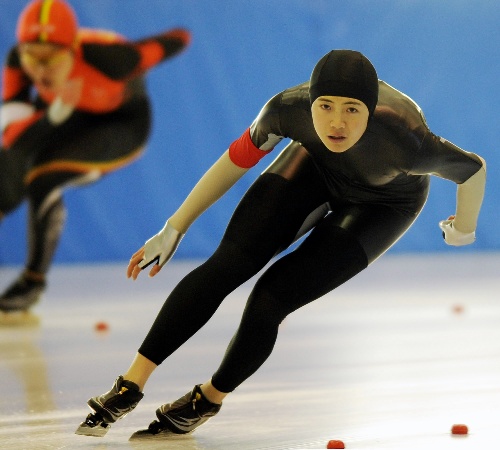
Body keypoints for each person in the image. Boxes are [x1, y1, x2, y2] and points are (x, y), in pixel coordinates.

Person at [75, 49, 486, 438]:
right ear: (310, 103)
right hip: (315, 168)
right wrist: (175, 225)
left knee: (272, 297)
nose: (337, 123)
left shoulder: (405, 138)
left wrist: (463, 229)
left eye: (352, 110)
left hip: (384, 202)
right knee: (228, 263)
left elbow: (472, 169)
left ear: (372, 109)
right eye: (325, 106)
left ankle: (207, 400)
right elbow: (235, 159)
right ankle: (130, 384)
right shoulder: (285, 108)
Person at [0, 0, 191, 312]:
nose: (41, 69)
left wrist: (183, 35)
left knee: (43, 178)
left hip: (122, 123)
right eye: (32, 57)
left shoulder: (113, 59)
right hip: (69, 114)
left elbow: (166, 44)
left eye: (52, 58)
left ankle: (31, 283)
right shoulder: (16, 63)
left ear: (73, 49)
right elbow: (13, 138)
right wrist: (52, 117)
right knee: (6, 168)